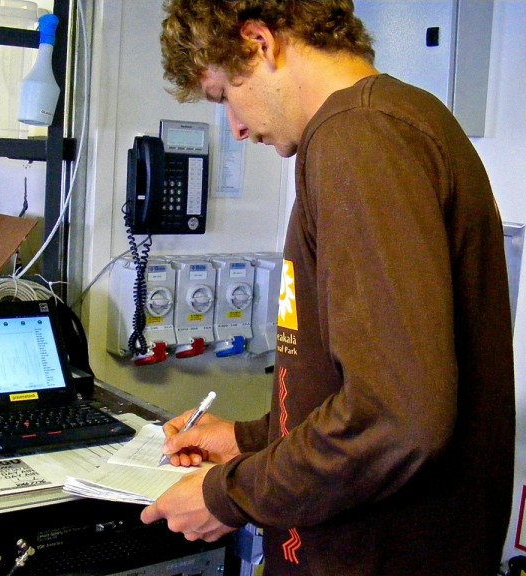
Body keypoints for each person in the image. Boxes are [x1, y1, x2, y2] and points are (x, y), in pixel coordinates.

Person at [140, 1, 516, 574]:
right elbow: (372, 381)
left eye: (223, 97)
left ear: (259, 42)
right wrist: (250, 438)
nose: (236, 129)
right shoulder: (398, 118)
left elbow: (394, 418)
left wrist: (231, 494)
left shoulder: (359, 137)